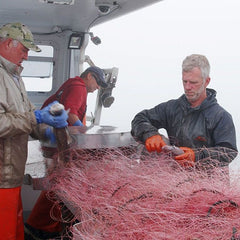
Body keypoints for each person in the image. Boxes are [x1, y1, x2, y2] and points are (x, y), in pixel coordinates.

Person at [0, 22, 68, 240]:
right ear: (9, 43)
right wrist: (35, 118)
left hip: (11, 174)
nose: (27, 57)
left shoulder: (14, 77)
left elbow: (26, 114)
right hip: (1, 177)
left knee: (16, 228)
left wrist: (46, 131)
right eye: (24, 50)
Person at [25, 66, 108, 239]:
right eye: (98, 82)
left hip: (51, 143)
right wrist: (87, 136)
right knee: (61, 186)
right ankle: (39, 226)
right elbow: (70, 114)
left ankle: (44, 226)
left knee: (58, 186)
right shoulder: (79, 86)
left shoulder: (71, 84)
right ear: (89, 76)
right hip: (57, 145)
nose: (98, 87)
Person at [131, 54, 238, 168]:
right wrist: (150, 134)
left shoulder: (220, 116)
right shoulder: (171, 108)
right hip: (176, 181)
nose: (187, 87)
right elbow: (139, 119)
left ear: (206, 81)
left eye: (193, 82)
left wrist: (196, 156)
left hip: (209, 183)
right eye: (184, 81)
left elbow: (228, 152)